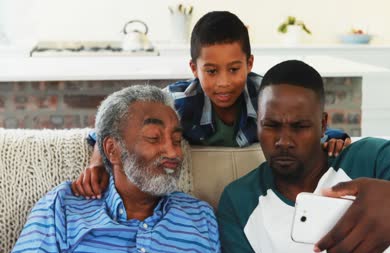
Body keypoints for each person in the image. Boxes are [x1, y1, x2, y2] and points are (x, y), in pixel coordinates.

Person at [72, 11, 350, 199]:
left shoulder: (267, 94)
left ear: (249, 64)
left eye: (234, 69)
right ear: (194, 68)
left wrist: (332, 138)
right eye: (211, 71)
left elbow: (303, 125)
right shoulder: (177, 101)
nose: (224, 83)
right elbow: (115, 127)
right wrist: (98, 161)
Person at [217, 60, 390, 253]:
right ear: (257, 123)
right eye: (271, 125)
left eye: (300, 126)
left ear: (323, 124)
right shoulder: (240, 201)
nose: (284, 141)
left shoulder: (372, 158)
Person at [8, 85, 220, 253]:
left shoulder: (200, 217)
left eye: (176, 140)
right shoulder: (62, 208)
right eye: (154, 138)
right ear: (112, 150)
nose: (174, 153)